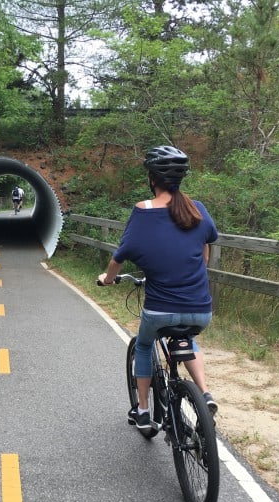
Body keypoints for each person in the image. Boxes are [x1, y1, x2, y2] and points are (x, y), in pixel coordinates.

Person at [98, 145, 219, 431]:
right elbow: (204, 253)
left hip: (160, 310)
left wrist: (108, 278)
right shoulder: (196, 208)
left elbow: (120, 256)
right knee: (189, 338)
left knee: (143, 344)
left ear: (152, 178)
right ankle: (204, 393)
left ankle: (142, 410)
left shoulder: (143, 211)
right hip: (200, 309)